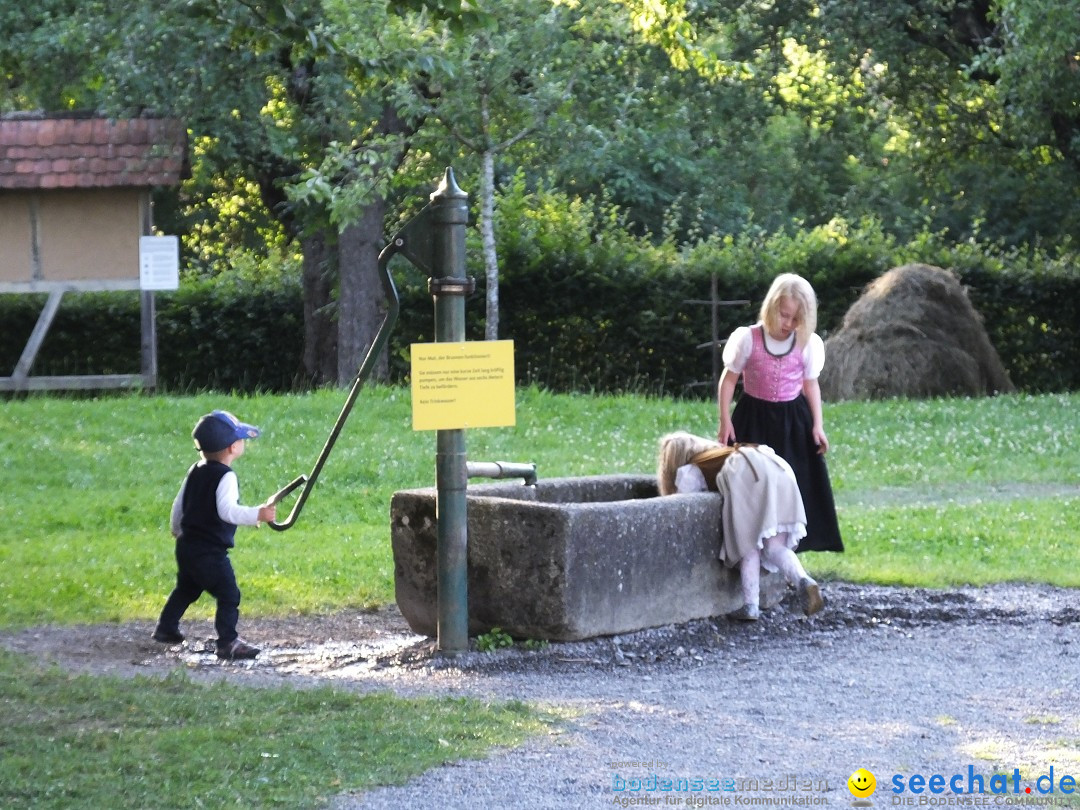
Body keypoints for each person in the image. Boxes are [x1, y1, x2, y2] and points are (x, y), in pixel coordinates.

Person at [717, 273, 844, 554]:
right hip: (754, 419)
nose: (788, 323)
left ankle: (787, 550)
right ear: (771, 307)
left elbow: (811, 385)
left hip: (793, 423)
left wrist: (818, 425)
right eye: (783, 315)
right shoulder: (748, 339)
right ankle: (752, 547)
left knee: (795, 483)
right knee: (752, 483)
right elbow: (728, 380)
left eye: (795, 319)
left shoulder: (806, 344)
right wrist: (725, 420)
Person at [657, 431, 823, 621]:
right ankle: (803, 580)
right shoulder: (725, 455)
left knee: (747, 543)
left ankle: (751, 605)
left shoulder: (692, 469)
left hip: (749, 475)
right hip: (776, 466)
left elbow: (681, 505)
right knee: (775, 547)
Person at [152, 410, 276, 660]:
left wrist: (177, 529)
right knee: (229, 594)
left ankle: (166, 628)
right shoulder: (226, 476)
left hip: (186, 545)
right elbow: (228, 512)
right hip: (209, 552)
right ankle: (228, 642)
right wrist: (257, 514)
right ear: (232, 448)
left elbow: (180, 504)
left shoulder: (196, 469)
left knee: (186, 588)